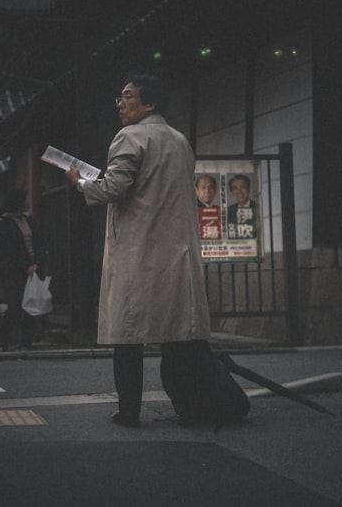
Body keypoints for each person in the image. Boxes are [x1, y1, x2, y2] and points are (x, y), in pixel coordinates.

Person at [65, 74, 211, 427]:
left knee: (128, 336)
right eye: (120, 97)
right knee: (175, 334)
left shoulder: (130, 136)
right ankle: (188, 406)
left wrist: (81, 181)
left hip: (138, 253)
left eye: (128, 97)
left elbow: (112, 188)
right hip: (175, 252)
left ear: (149, 104)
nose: (120, 103)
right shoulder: (179, 141)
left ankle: (129, 409)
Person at [0, 188, 47, 352]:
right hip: (13, 270)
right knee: (14, 306)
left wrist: (36, 263)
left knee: (30, 306)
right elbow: (8, 249)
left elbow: (39, 243)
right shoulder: (5, 223)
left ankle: (25, 342)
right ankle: (2, 342)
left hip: (32, 268)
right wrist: (26, 265)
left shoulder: (28, 220)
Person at [227, 174, 257, 239]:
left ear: (248, 188)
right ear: (232, 192)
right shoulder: (228, 211)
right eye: (235, 188)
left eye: (242, 187)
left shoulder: (257, 208)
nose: (239, 192)